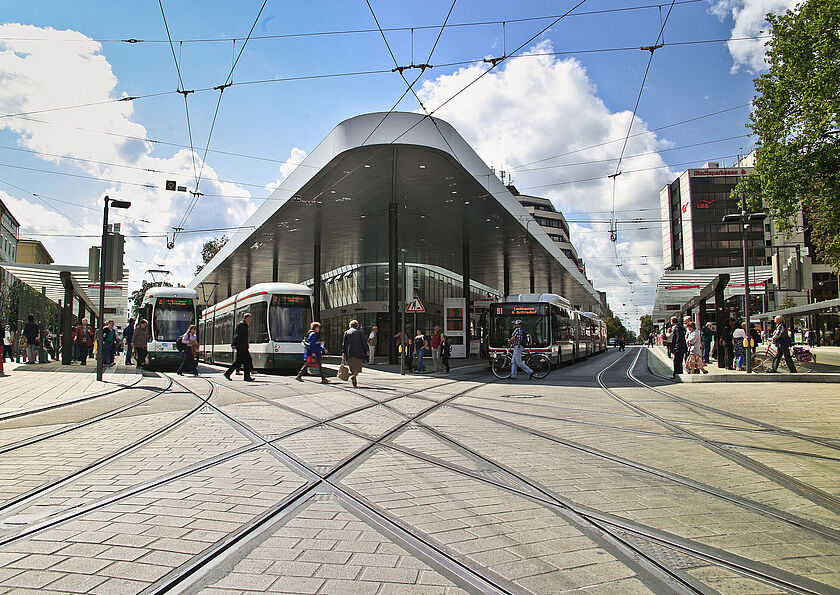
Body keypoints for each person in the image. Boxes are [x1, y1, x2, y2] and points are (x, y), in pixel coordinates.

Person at [224, 313, 254, 381]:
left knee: (239, 361)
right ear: (247, 318)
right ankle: (246, 376)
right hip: (241, 346)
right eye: (250, 318)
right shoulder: (242, 325)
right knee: (247, 360)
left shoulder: (245, 325)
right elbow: (238, 335)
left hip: (243, 346)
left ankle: (228, 373)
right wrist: (234, 344)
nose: (250, 320)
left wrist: (247, 344)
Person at [342, 320, 368, 387]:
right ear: (357, 325)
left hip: (349, 353)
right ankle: (354, 376)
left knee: (352, 367)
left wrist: (343, 352)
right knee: (358, 368)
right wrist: (366, 350)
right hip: (358, 352)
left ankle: (354, 380)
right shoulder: (360, 332)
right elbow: (364, 342)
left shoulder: (346, 332)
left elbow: (344, 344)